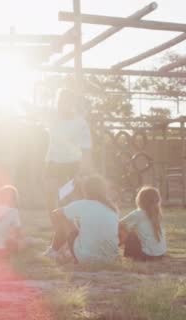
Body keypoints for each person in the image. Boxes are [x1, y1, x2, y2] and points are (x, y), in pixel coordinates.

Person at [45, 175, 119, 264]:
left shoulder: (82, 204)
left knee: (63, 218)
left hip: (86, 258)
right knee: (82, 225)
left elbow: (55, 213)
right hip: (110, 258)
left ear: (85, 190)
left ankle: (52, 252)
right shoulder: (112, 208)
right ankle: (65, 250)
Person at [43, 88, 93, 216]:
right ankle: (56, 225)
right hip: (53, 162)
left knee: (70, 194)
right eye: (59, 102)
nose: (61, 105)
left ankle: (76, 222)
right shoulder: (52, 118)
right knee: (50, 193)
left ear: (71, 103)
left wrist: (83, 170)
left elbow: (86, 148)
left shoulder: (80, 122)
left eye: (65, 102)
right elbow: (33, 109)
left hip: (73, 164)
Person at [119, 186, 166, 261]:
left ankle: (111, 250)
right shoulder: (158, 214)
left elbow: (119, 224)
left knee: (129, 233)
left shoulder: (138, 213)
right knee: (134, 230)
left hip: (147, 255)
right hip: (161, 253)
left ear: (140, 199)